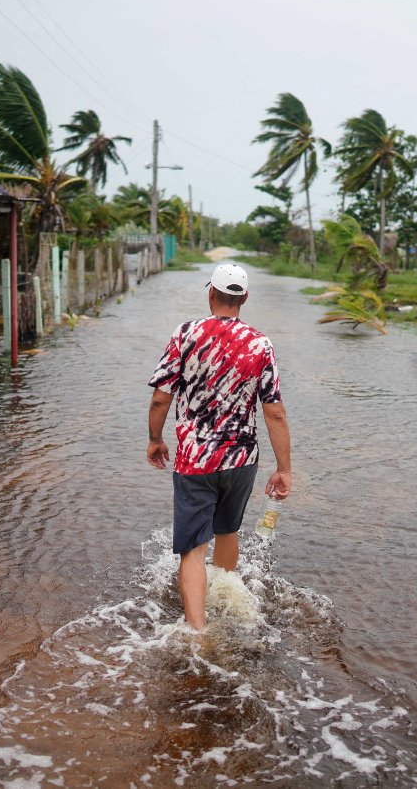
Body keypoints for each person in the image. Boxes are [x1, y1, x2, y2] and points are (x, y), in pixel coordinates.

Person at [146, 263, 291, 631]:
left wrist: (155, 439)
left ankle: (197, 632)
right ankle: (224, 603)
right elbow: (273, 412)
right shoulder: (261, 344)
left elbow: (162, 398)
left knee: (193, 549)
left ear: (210, 292)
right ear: (244, 298)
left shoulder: (186, 334)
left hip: (196, 459)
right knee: (227, 531)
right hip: (242, 459)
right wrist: (284, 468)